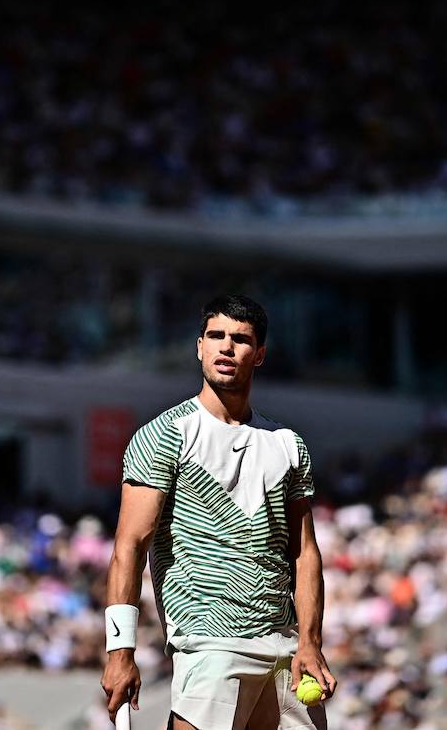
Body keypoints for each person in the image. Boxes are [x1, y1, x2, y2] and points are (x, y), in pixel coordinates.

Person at [100, 294, 335, 729]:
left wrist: (310, 641)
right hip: (210, 643)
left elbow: (304, 553)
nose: (226, 347)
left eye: (241, 339)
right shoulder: (165, 435)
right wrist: (121, 651)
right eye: (216, 336)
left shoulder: (287, 443)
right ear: (199, 347)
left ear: (259, 354)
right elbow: (128, 547)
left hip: (286, 651)